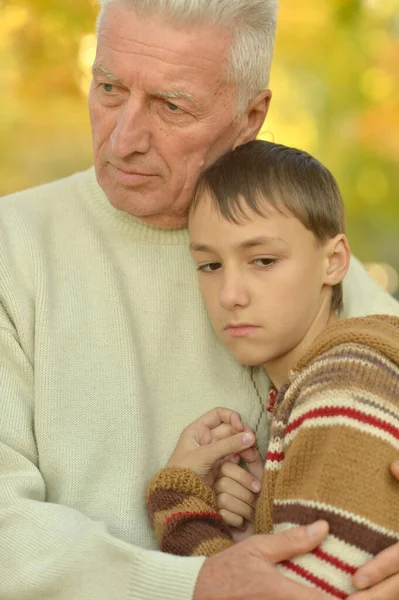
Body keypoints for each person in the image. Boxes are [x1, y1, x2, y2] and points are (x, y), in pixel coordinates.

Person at [0, 0, 398, 598]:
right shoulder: (14, 249)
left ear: (251, 114)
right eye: (109, 87)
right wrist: (189, 582)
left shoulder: (307, 250)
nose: (125, 138)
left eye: (171, 105)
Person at [146, 140, 399, 598]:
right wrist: (251, 537)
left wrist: (179, 504)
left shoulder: (342, 386)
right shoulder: (325, 384)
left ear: (334, 261)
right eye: (209, 265)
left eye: (263, 260)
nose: (230, 294)